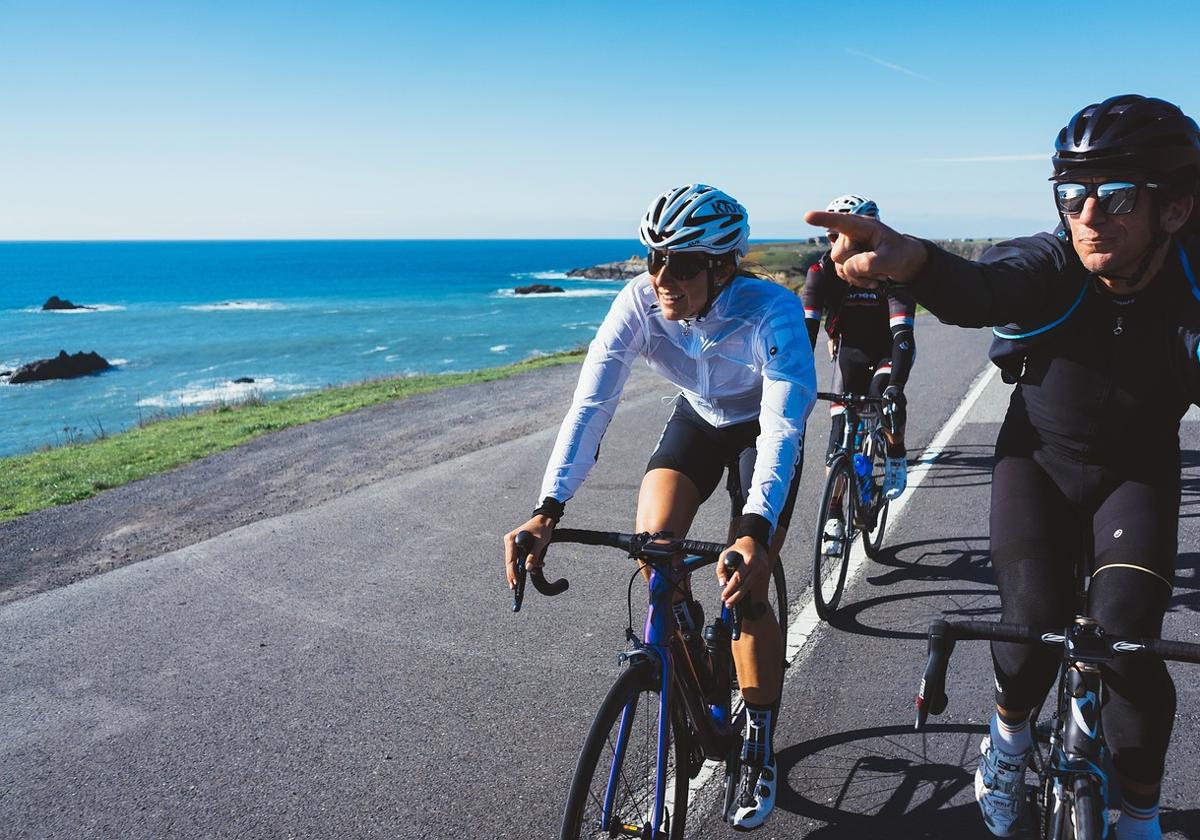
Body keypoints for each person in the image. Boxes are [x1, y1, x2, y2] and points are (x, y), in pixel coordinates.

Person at [806, 94, 1200, 840]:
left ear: (1175, 210)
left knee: (1129, 643)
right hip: (1039, 464)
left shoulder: (1192, 287)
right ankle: (1010, 739)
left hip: (1138, 475)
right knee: (1030, 624)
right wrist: (913, 260)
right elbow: (986, 287)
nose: (1088, 215)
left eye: (1115, 195)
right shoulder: (1054, 261)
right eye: (1072, 195)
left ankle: (1141, 818)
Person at [504, 184, 817, 829]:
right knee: (654, 548)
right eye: (653, 259)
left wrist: (755, 532)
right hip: (700, 421)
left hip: (761, 428)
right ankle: (687, 650)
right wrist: (547, 509)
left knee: (745, 582)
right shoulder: (638, 304)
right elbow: (591, 407)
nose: (660, 278)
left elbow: (785, 426)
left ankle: (755, 740)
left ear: (723, 266)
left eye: (681, 263)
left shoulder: (772, 312)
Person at [802, 194, 916, 556]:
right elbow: (807, 331)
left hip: (886, 351)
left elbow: (903, 337)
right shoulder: (820, 273)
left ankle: (895, 452)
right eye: (833, 237)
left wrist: (896, 386)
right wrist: (794, 380)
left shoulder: (893, 274)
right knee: (839, 435)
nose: (840, 246)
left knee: (885, 393)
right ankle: (834, 512)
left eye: (852, 237)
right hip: (849, 351)